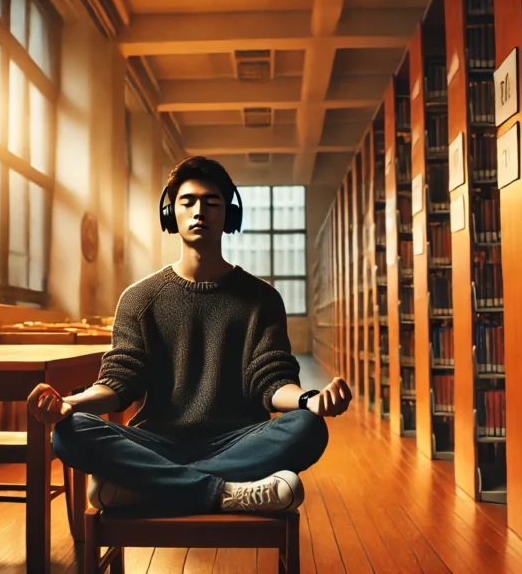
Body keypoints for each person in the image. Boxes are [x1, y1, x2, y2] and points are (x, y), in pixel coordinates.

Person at [26, 156, 352, 516]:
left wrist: (310, 401)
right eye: (188, 202)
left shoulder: (262, 299)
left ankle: (149, 489)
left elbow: (271, 380)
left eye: (212, 203)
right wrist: (71, 404)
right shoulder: (138, 298)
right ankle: (225, 492)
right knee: (69, 433)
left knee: (309, 428)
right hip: (157, 441)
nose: (200, 211)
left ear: (229, 215)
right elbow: (120, 382)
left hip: (238, 440)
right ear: (171, 214)